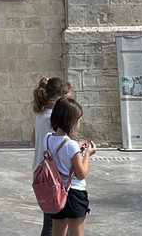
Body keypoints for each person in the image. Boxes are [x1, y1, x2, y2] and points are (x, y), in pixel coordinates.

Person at [45, 97, 96, 236]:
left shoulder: (47, 138)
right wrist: (87, 154)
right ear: (71, 122)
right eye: (79, 121)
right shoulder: (71, 145)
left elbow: (60, 150)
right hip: (74, 193)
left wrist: (76, 148)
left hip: (57, 192)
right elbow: (81, 174)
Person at [32, 77, 74, 236]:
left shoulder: (41, 116)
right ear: (60, 98)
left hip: (41, 171)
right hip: (53, 175)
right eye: (68, 99)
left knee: (52, 220)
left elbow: (34, 139)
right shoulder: (53, 119)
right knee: (54, 224)